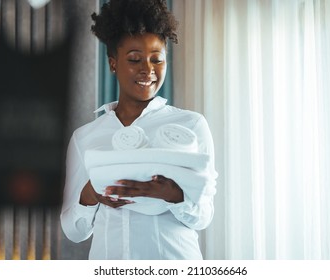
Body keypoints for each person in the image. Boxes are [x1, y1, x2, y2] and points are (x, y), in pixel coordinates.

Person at [60, 0, 217, 260]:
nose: (148, 69)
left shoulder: (191, 126)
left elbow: (204, 215)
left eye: (157, 59)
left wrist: (174, 196)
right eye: (134, 59)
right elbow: (73, 231)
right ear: (113, 63)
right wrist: (90, 194)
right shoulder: (85, 138)